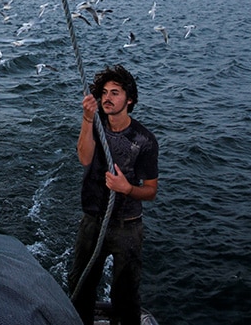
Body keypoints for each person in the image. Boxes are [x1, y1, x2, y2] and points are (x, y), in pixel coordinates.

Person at [67, 64, 159, 325]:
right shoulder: (95, 126)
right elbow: (84, 158)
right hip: (93, 220)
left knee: (126, 294)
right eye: (105, 92)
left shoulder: (144, 140)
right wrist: (86, 120)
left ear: (130, 99)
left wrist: (127, 189)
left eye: (115, 93)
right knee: (79, 285)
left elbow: (151, 191)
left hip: (127, 226)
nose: (107, 98)